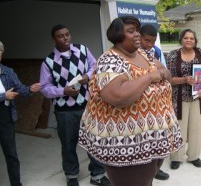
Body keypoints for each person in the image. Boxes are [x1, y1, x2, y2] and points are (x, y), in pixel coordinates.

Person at [78, 16, 183, 186]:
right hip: (127, 146)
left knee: (147, 181)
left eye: (137, 30)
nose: (137, 35)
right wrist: (149, 77)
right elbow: (117, 96)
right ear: (118, 35)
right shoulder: (110, 60)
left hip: (153, 141)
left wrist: (161, 74)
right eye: (131, 31)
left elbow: (166, 73)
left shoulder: (143, 53)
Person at [39, 25, 111, 186]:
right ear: (54, 39)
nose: (65, 38)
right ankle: (71, 175)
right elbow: (44, 88)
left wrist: (87, 75)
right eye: (60, 36)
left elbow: (95, 66)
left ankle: (98, 174)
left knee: (93, 140)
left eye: (67, 34)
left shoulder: (82, 50)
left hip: (88, 105)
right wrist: (63, 91)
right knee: (68, 143)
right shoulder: (49, 61)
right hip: (65, 111)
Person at [166, 29, 201, 170]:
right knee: (178, 128)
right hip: (178, 99)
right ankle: (176, 158)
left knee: (197, 128)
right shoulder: (172, 55)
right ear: (181, 39)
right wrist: (184, 79)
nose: (188, 40)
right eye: (186, 38)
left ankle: (194, 156)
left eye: (191, 38)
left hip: (198, 97)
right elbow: (168, 79)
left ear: (195, 40)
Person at [0, 41, 41, 186]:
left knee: (11, 154)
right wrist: (3, 96)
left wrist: (30, 89)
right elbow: (5, 95)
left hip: (4, 116)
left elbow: (19, 88)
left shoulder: (7, 71)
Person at [140, 24, 169, 181]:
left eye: (152, 41)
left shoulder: (155, 52)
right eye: (146, 41)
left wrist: (161, 72)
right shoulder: (132, 55)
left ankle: (156, 170)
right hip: (141, 108)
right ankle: (146, 175)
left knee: (158, 141)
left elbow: (166, 72)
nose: (149, 45)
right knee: (145, 143)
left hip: (158, 106)